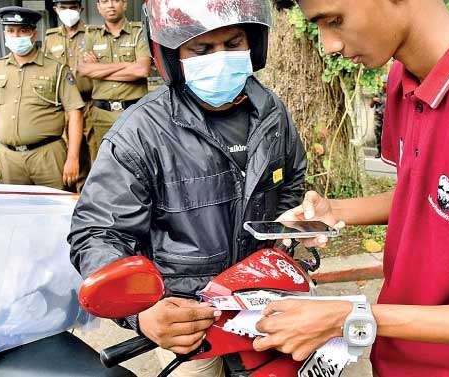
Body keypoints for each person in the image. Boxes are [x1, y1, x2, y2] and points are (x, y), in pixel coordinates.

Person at [254, 1, 449, 376]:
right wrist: (335, 212)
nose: (329, 46)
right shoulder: (402, 78)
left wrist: (352, 315)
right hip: (397, 356)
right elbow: (425, 195)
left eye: (335, 20)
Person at [68, 1, 307, 375]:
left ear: (253, 44)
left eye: (233, 43)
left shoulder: (271, 112)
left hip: (264, 304)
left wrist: (284, 239)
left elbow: (290, 181)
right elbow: (98, 233)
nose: (221, 57)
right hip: (189, 319)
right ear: (172, 55)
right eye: (202, 49)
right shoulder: (141, 132)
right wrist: (143, 313)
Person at [0, 6, 85, 190]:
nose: (16, 36)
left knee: (57, 209)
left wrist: (72, 158)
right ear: (5, 34)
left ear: (33, 35)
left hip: (47, 157)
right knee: (16, 212)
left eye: (23, 31)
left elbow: (75, 113)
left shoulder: (56, 69)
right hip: (9, 159)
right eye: (11, 31)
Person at [77, 0, 152, 161]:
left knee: (139, 160)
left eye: (115, 0)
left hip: (133, 111)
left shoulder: (138, 32)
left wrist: (98, 70)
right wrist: (126, 65)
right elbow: (84, 70)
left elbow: (142, 70)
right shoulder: (91, 35)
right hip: (102, 115)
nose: (110, 5)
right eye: (104, 1)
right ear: (98, 7)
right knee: (104, 162)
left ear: (124, 4)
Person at [44, 0, 95, 192]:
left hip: (89, 103)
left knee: (95, 154)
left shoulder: (93, 34)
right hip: (64, 108)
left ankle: (93, 197)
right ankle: (75, 198)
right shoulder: (51, 38)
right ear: (56, 10)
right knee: (72, 155)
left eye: (72, 7)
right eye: (63, 8)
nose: (68, 12)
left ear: (81, 9)